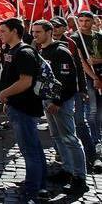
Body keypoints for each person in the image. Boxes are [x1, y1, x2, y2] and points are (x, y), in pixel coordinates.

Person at [31, 20, 88, 194]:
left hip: (61, 102)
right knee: (57, 136)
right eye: (33, 32)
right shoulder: (41, 50)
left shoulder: (61, 51)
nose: (34, 35)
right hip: (49, 101)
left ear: (49, 32)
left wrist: (58, 101)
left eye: (38, 32)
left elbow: (68, 80)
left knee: (70, 139)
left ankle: (80, 178)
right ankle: (67, 170)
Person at [0, 17, 47, 202]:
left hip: (25, 107)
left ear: (15, 31)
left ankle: (33, 188)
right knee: (32, 146)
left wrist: (4, 93)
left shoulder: (24, 52)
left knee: (30, 149)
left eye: (3, 31)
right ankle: (37, 182)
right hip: (17, 105)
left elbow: (25, 81)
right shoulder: (12, 50)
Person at [51, 15, 101, 172]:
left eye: (58, 26)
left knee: (81, 121)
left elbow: (78, 67)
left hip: (74, 89)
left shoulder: (70, 43)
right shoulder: (39, 45)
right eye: (52, 26)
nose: (55, 29)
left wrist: (83, 89)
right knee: (56, 130)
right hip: (54, 93)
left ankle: (91, 156)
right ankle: (64, 159)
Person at [70, 11, 102, 164]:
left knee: (99, 110)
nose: (83, 24)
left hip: (99, 74)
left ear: (93, 21)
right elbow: (82, 62)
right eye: (81, 21)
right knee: (92, 109)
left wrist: (97, 60)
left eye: (87, 21)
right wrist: (94, 77)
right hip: (87, 78)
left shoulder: (98, 36)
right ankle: (94, 140)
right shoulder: (75, 38)